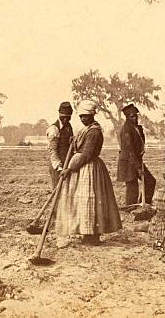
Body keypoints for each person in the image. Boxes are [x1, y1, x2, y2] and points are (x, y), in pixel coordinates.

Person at [55, 100, 122, 245]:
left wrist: (70, 169)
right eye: (80, 117)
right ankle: (86, 233)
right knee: (83, 201)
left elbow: (85, 155)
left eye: (85, 116)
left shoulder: (94, 132)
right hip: (82, 167)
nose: (82, 119)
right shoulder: (87, 130)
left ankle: (92, 235)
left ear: (92, 116)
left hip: (89, 168)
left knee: (90, 200)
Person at [117, 103, 156, 205]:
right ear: (127, 117)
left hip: (136, 160)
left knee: (150, 181)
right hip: (127, 162)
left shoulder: (137, 128)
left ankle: (144, 204)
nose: (135, 118)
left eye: (136, 115)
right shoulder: (126, 130)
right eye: (132, 116)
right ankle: (130, 209)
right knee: (132, 187)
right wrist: (139, 168)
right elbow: (130, 151)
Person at [45, 101, 74, 189]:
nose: (65, 120)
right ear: (59, 115)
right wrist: (59, 168)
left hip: (67, 165)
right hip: (57, 166)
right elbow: (53, 151)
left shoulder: (69, 126)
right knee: (58, 191)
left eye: (68, 118)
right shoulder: (54, 129)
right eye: (63, 117)